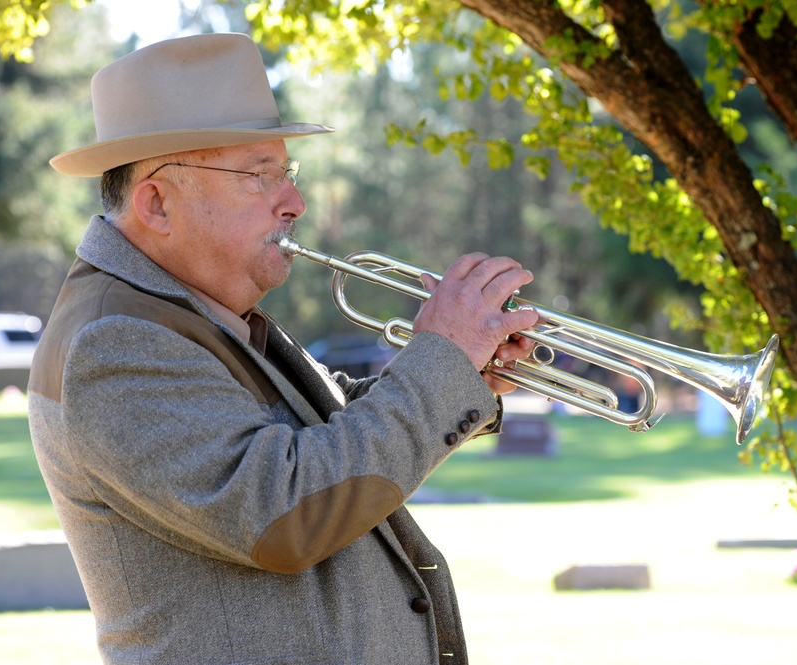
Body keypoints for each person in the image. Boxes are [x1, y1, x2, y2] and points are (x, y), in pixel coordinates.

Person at [27, 32, 539, 665]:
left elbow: (323, 426)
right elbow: (287, 507)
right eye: (258, 176)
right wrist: (439, 361)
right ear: (157, 203)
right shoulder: (114, 343)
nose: (294, 202)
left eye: (287, 173)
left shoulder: (196, 312)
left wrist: (469, 375)